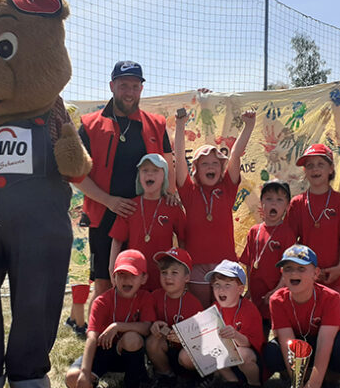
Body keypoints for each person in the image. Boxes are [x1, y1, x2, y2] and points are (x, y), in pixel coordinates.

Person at [76, 61, 175, 303]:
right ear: (112, 86)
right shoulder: (89, 125)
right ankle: (101, 338)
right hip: (103, 213)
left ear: (141, 89)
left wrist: (171, 192)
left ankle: (138, 335)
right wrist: (108, 201)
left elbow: (170, 164)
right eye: (123, 86)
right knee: (104, 283)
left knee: (147, 278)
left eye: (134, 86)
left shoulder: (157, 124)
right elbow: (76, 174)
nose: (129, 92)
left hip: (147, 217)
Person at [174, 107, 257, 306]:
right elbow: (178, 158)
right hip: (196, 265)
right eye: (204, 164)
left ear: (221, 169)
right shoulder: (189, 191)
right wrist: (179, 125)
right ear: (196, 170)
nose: (210, 167)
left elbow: (235, 156)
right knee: (203, 313)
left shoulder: (227, 187)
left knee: (224, 312)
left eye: (215, 163)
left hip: (225, 264)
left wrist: (249, 126)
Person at [261, 245, 340, 388]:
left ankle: (331, 382)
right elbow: (287, 343)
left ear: (316, 273)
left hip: (325, 343)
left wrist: (314, 386)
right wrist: (296, 385)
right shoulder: (277, 300)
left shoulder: (331, 298)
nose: (294, 273)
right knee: (271, 352)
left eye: (301, 268)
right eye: (288, 268)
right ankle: (297, 380)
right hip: (298, 345)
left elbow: (325, 343)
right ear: (282, 273)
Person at [288, 144, 340, 328]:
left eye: (320, 164)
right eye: (309, 165)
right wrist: (304, 271)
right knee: (309, 321)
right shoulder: (297, 203)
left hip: (336, 274)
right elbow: (291, 242)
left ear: (331, 168)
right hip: (308, 275)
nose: (315, 169)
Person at [66, 249, 155, 388]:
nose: (126, 280)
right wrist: (84, 373)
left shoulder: (145, 298)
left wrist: (117, 326)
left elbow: (146, 328)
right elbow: (92, 337)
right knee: (72, 379)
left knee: (132, 338)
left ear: (144, 278)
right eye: (121, 275)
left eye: (132, 275)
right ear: (113, 277)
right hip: (103, 351)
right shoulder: (101, 301)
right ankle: (92, 379)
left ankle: (133, 384)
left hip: (129, 352)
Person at [108, 153, 186, 291]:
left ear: (164, 176)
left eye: (155, 170)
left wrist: (182, 269)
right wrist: (112, 267)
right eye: (145, 170)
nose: (150, 174)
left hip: (164, 278)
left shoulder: (173, 207)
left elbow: (183, 240)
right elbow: (117, 241)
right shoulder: (130, 206)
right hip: (134, 277)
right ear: (139, 176)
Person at [239, 180, 296, 333]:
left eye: (279, 200)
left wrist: (277, 290)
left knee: (279, 333)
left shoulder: (287, 234)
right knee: (257, 334)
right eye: (269, 199)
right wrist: (249, 290)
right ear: (262, 203)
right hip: (257, 297)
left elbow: (289, 267)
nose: (273, 204)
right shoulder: (254, 231)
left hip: (277, 296)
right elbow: (250, 264)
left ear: (287, 206)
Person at [205, 260, 265, 388]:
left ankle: (254, 386)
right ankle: (232, 382)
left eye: (227, 285)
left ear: (240, 289)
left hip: (250, 361)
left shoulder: (249, 310)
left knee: (242, 353)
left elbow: (250, 344)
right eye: (217, 285)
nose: (221, 290)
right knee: (210, 348)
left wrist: (235, 335)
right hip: (226, 361)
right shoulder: (214, 308)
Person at [146, 247, 201, 386]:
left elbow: (201, 338)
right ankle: (166, 376)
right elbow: (148, 323)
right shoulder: (154, 297)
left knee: (190, 354)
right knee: (153, 341)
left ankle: (192, 378)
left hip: (185, 353)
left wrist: (185, 338)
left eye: (174, 272)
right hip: (165, 351)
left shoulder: (194, 304)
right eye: (164, 272)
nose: (168, 277)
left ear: (187, 277)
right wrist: (154, 325)